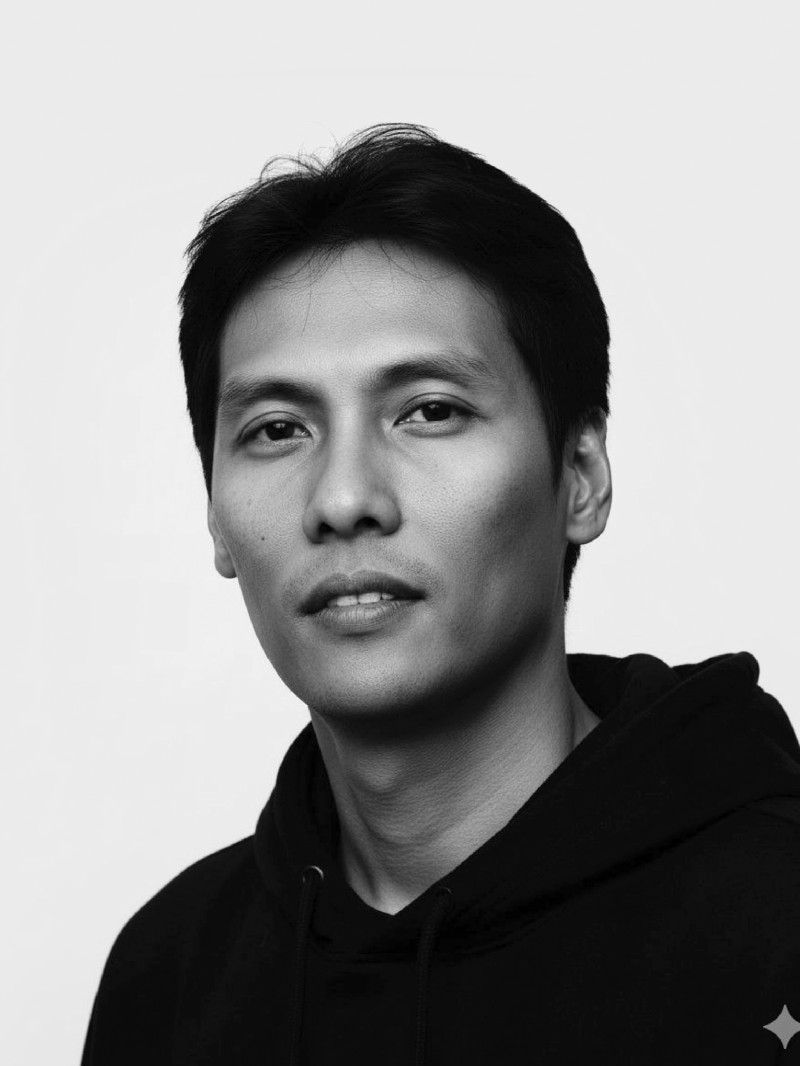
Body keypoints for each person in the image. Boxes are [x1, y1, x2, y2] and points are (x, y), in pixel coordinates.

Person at [80, 123, 800, 1065]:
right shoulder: (169, 976)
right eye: (277, 429)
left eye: (430, 411)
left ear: (579, 477)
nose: (344, 499)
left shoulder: (775, 923)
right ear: (214, 513)